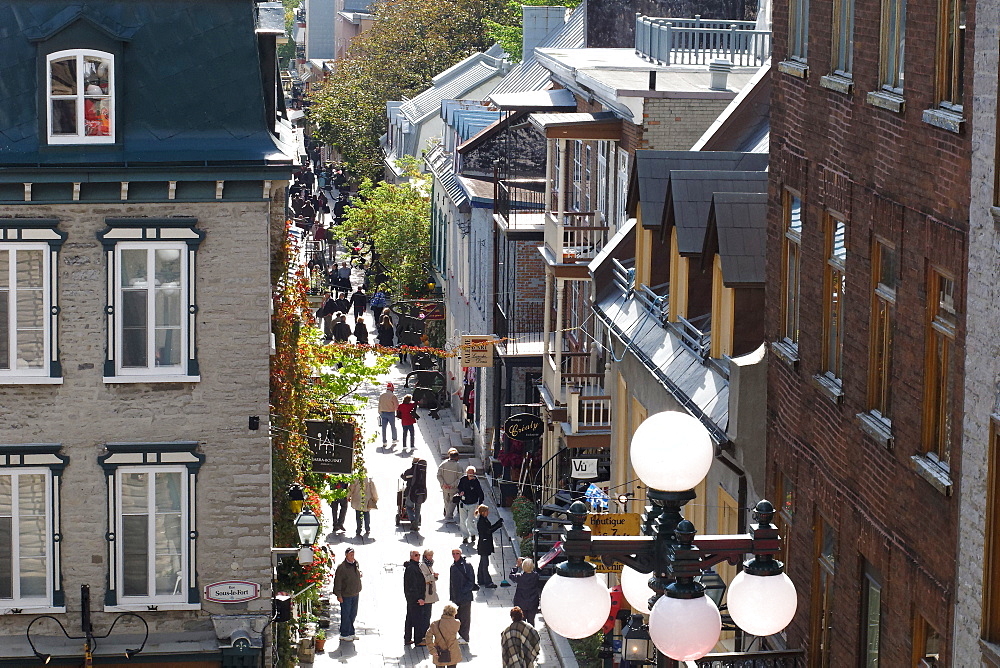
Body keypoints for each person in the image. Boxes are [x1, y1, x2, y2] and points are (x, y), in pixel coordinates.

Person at [333, 547, 362, 641]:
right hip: (346, 595)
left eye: (353, 554)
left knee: (353, 614)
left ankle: (351, 632)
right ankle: (344, 634)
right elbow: (338, 581)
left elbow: (357, 573)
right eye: (350, 554)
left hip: (355, 593)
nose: (352, 556)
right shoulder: (342, 567)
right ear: (346, 555)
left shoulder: (355, 564)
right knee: (346, 614)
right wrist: (339, 595)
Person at [449, 548, 475, 645]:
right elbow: (451, 583)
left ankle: (464, 636)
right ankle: (461, 635)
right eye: (453, 553)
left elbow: (471, 580)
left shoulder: (466, 565)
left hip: (465, 596)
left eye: (457, 553)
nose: (455, 555)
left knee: (465, 617)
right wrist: (452, 596)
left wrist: (463, 591)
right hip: (457, 597)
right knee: (458, 616)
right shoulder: (452, 566)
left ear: (460, 554)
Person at [475, 504, 503, 588]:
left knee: (482, 563)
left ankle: (481, 579)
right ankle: (488, 582)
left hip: (484, 544)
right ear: (483, 512)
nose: (489, 512)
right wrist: (498, 525)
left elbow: (489, 528)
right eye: (487, 511)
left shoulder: (484, 519)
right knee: (485, 564)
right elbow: (488, 531)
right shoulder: (481, 521)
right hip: (484, 545)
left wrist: (498, 523)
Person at [403, 549, 427, 645]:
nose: (418, 557)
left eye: (419, 555)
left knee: (410, 618)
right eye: (416, 555)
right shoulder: (412, 568)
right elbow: (413, 585)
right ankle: (418, 640)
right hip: (414, 599)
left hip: (411, 598)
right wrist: (419, 598)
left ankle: (408, 638)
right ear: (411, 556)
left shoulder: (413, 567)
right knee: (417, 619)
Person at [456, 467, 484, 545]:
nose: (470, 474)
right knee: (462, 520)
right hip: (463, 502)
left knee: (470, 520)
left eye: (472, 472)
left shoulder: (476, 481)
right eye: (468, 472)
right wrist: (460, 492)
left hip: (473, 503)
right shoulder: (463, 479)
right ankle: (465, 536)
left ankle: (472, 533)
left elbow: (480, 492)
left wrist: (480, 503)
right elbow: (459, 487)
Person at [510, 558, 541, 626]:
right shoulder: (535, 576)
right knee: (531, 622)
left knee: (521, 622)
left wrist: (517, 566)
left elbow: (511, 575)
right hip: (532, 603)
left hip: (521, 602)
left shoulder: (519, 577)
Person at [418, 549, 440, 645]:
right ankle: (423, 636)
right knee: (425, 617)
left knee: (427, 615)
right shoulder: (423, 565)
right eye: (429, 555)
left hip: (429, 594)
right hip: (426, 595)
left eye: (431, 555)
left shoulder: (429, 565)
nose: (430, 557)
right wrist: (433, 576)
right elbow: (423, 579)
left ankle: (426, 636)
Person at [437, 448, 465, 523]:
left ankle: (448, 515)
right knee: (453, 502)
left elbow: (439, 475)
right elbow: (460, 477)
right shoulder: (458, 466)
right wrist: (452, 485)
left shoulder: (443, 464)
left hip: (445, 488)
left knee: (446, 501)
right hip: (453, 488)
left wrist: (443, 484)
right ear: (456, 457)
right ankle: (449, 516)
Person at [401, 457, 428, 531]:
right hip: (420, 492)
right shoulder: (422, 472)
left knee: (408, 506)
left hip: (411, 491)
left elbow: (404, 477)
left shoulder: (409, 471)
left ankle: (412, 520)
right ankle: (416, 522)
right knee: (418, 508)